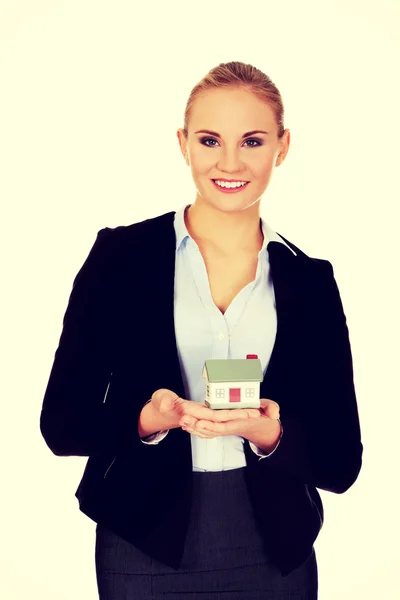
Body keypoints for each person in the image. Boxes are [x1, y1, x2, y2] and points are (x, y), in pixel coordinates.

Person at [39, 61, 363, 599]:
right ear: (183, 144)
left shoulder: (311, 281)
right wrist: (146, 421)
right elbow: (62, 425)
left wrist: (269, 436)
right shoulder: (121, 258)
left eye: (253, 141)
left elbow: (341, 460)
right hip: (142, 543)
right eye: (210, 140)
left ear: (282, 147)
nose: (229, 162)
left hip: (274, 549)